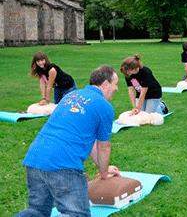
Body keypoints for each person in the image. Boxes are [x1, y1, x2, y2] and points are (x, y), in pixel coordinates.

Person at [18, 66, 120, 217]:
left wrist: (103, 170)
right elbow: (103, 146)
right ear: (105, 84)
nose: (116, 88)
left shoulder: (70, 96)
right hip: (63, 165)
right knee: (76, 214)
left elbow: (90, 142)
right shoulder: (104, 106)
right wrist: (104, 173)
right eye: (115, 84)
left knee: (36, 211)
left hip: (35, 159)